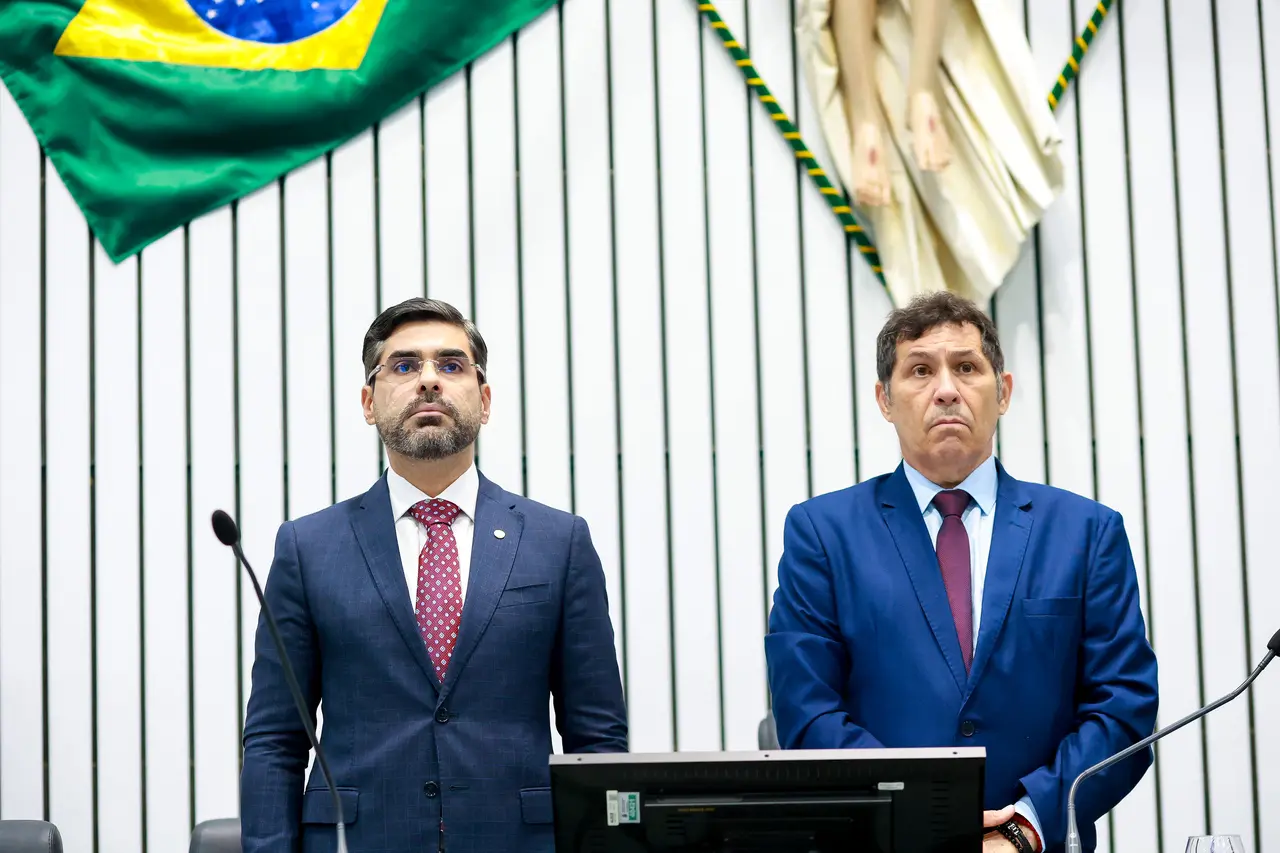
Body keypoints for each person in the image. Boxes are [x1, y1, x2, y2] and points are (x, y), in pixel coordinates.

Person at [765, 292, 1158, 853]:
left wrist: (1024, 827)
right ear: (884, 399)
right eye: (920, 370)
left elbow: (1123, 709)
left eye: (967, 367)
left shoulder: (1086, 532)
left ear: (1003, 392)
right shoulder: (822, 533)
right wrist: (920, 820)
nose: (946, 389)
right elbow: (807, 710)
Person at [240, 297, 628, 853]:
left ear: (485, 399)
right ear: (369, 403)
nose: (428, 381)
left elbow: (598, 739)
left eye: (451, 365)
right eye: (403, 366)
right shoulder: (308, 548)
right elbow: (275, 740)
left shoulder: (558, 543)